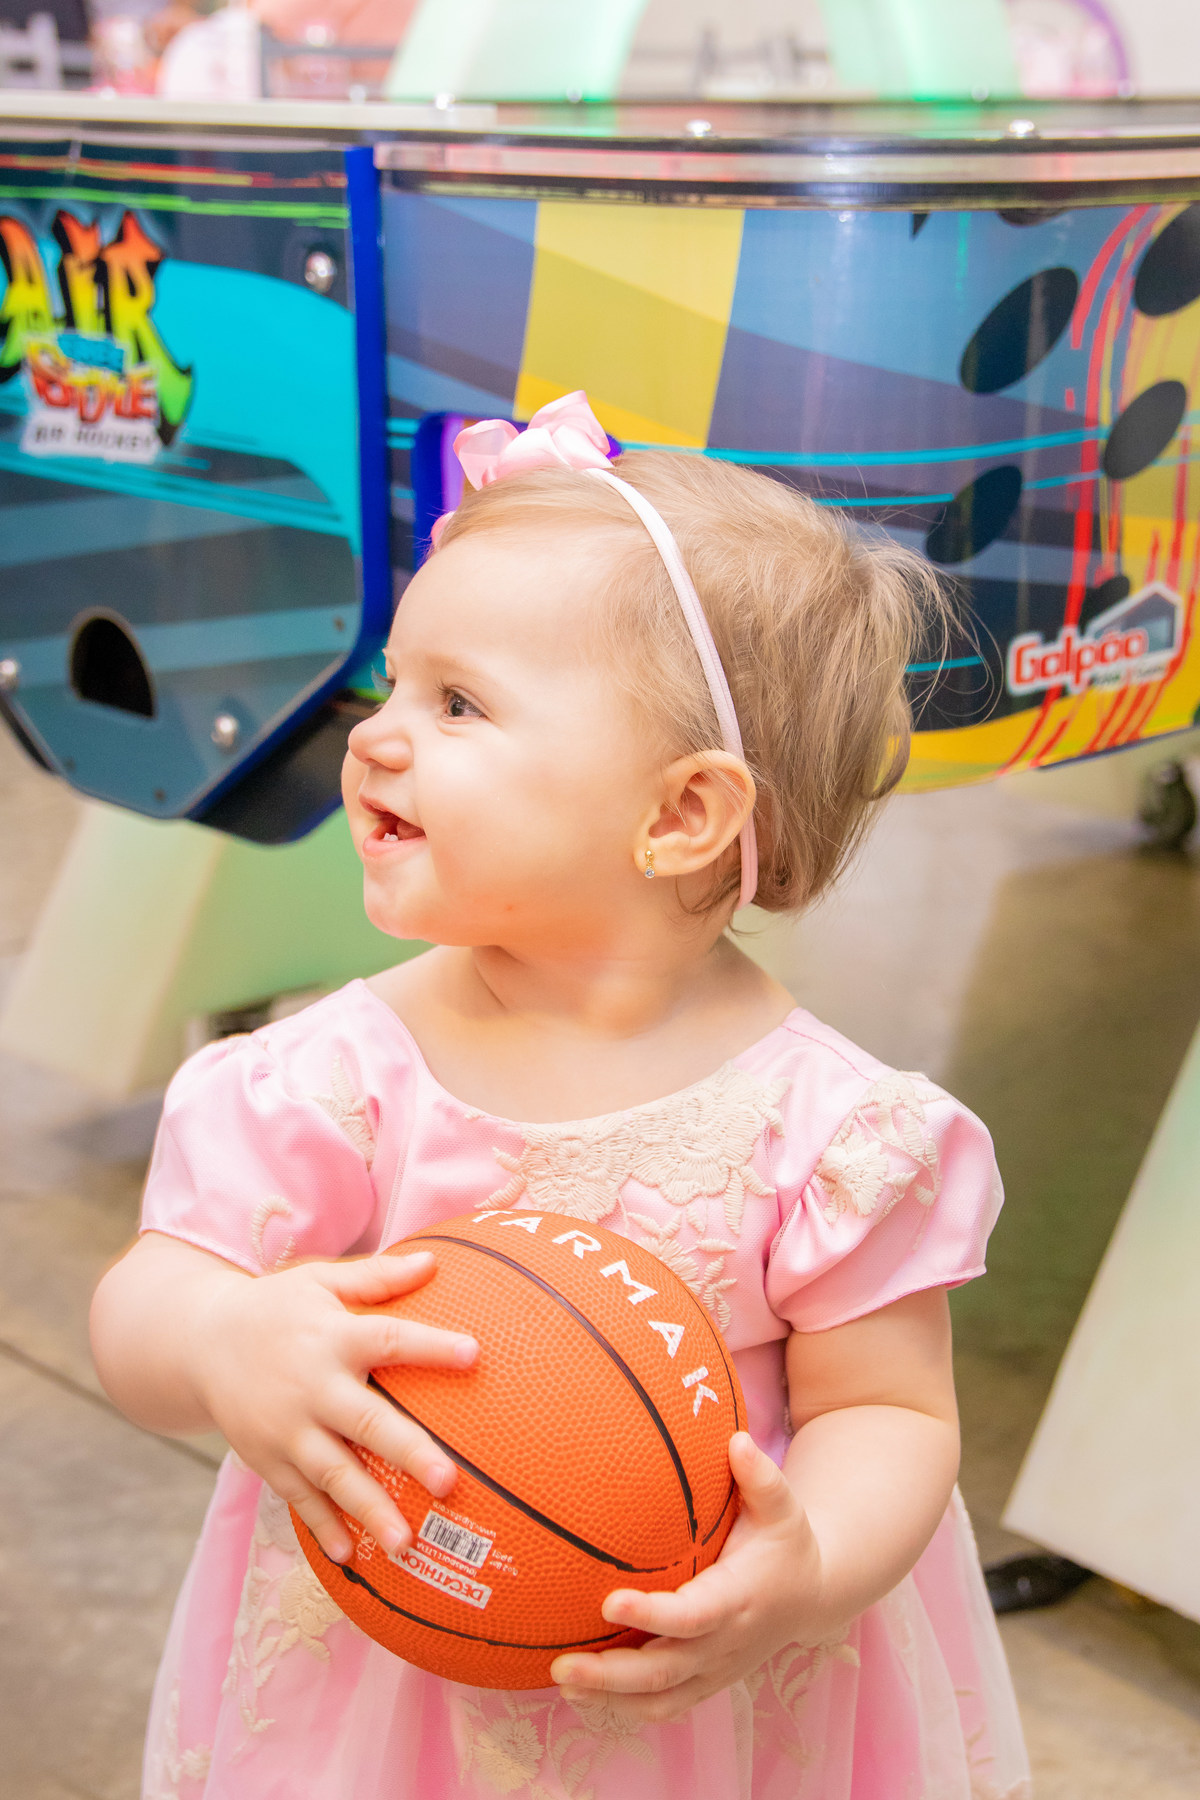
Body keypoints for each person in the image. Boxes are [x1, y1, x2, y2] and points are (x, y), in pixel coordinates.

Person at [90, 392, 1031, 1800]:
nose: (377, 737)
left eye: (458, 703)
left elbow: (889, 1418)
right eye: (391, 685)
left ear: (679, 816)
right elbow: (149, 1305)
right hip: (392, 1680)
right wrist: (226, 1333)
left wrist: (810, 1565)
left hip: (702, 1707)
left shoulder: (831, 1141)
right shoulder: (334, 1081)